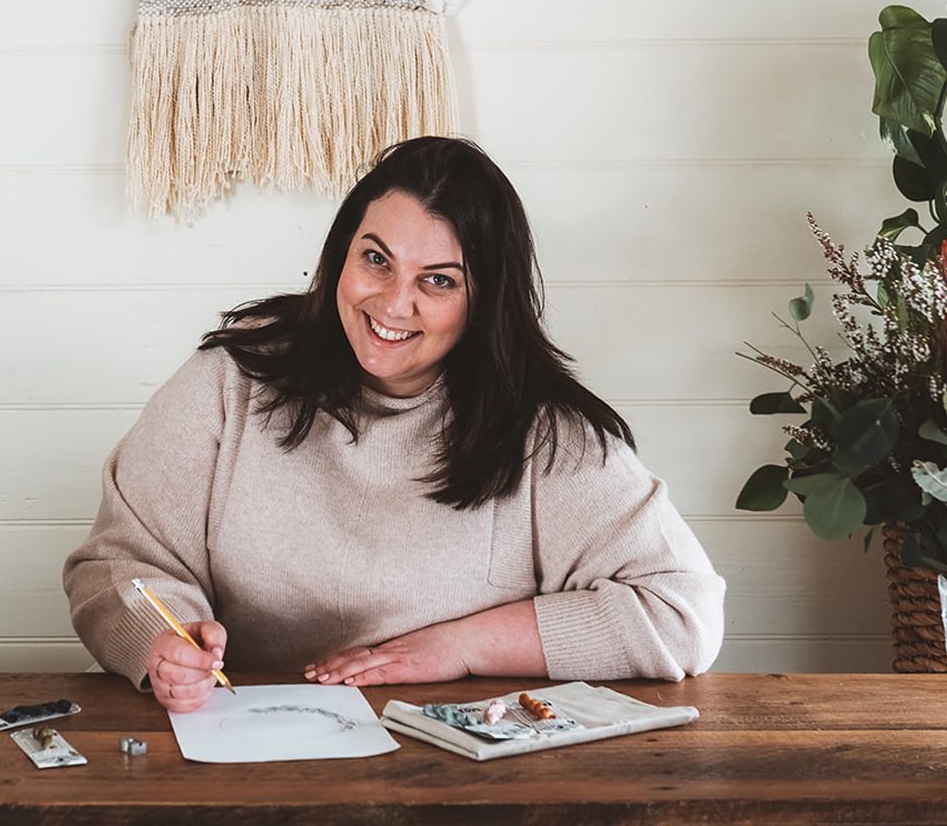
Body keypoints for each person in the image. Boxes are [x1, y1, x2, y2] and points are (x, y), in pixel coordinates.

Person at [63, 136, 724, 712]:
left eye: (437, 281)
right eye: (376, 260)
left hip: (460, 775)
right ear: (340, 255)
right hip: (247, 743)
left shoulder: (542, 433)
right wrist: (163, 645)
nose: (392, 303)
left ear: (483, 299)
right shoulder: (229, 381)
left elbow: (683, 614)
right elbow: (121, 562)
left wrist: (458, 647)